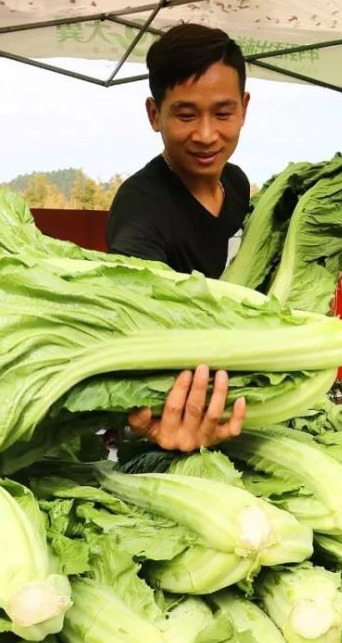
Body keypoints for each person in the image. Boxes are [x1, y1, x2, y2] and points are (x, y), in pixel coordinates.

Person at [107, 23, 250, 452]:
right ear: (155, 114)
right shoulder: (141, 207)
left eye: (222, 114)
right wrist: (150, 424)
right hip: (167, 435)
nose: (206, 135)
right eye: (186, 115)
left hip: (239, 405)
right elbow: (134, 337)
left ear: (244, 108)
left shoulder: (237, 184)